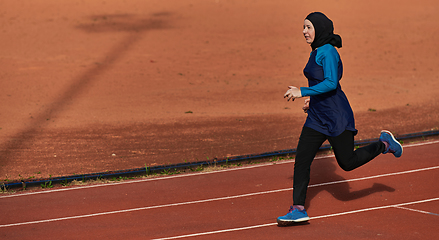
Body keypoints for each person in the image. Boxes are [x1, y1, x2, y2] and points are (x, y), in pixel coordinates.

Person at [277, 12, 403, 225]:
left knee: (347, 162)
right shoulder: (316, 50)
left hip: (336, 116)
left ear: (319, 29)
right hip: (317, 117)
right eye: (303, 27)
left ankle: (384, 145)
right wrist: (311, 99)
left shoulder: (328, 52)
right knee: (302, 160)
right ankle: (298, 209)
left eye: (308, 27)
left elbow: (331, 83)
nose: (304, 31)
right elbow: (321, 83)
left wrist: (303, 92)